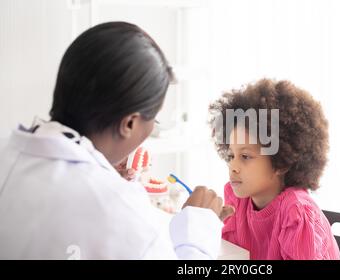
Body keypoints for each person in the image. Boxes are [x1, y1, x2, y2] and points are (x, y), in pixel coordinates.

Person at [0, 21, 233, 259]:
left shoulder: (8, 152)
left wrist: (103, 172)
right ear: (129, 123)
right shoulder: (118, 210)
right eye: (154, 119)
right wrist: (199, 229)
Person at [208, 79, 340, 260]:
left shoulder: (296, 214)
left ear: (281, 162)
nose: (233, 167)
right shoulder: (238, 202)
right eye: (231, 156)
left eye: (245, 156)